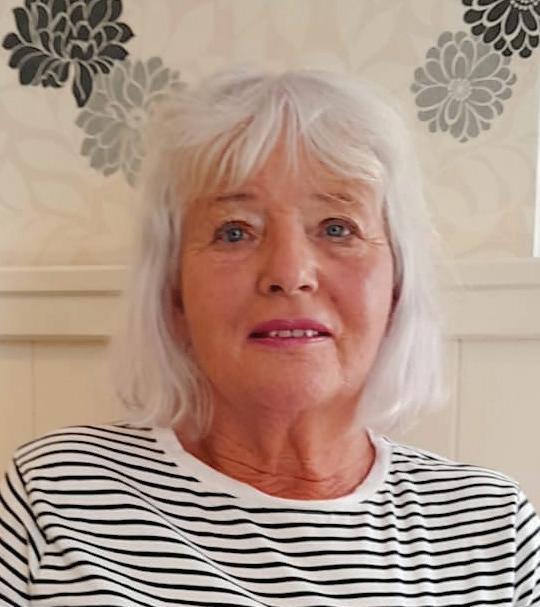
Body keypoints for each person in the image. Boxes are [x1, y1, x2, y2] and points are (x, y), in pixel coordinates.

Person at [1, 67, 538, 607]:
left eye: (337, 227)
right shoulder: (55, 496)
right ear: (173, 290)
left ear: (398, 283)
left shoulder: (492, 527)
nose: (289, 272)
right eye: (234, 231)